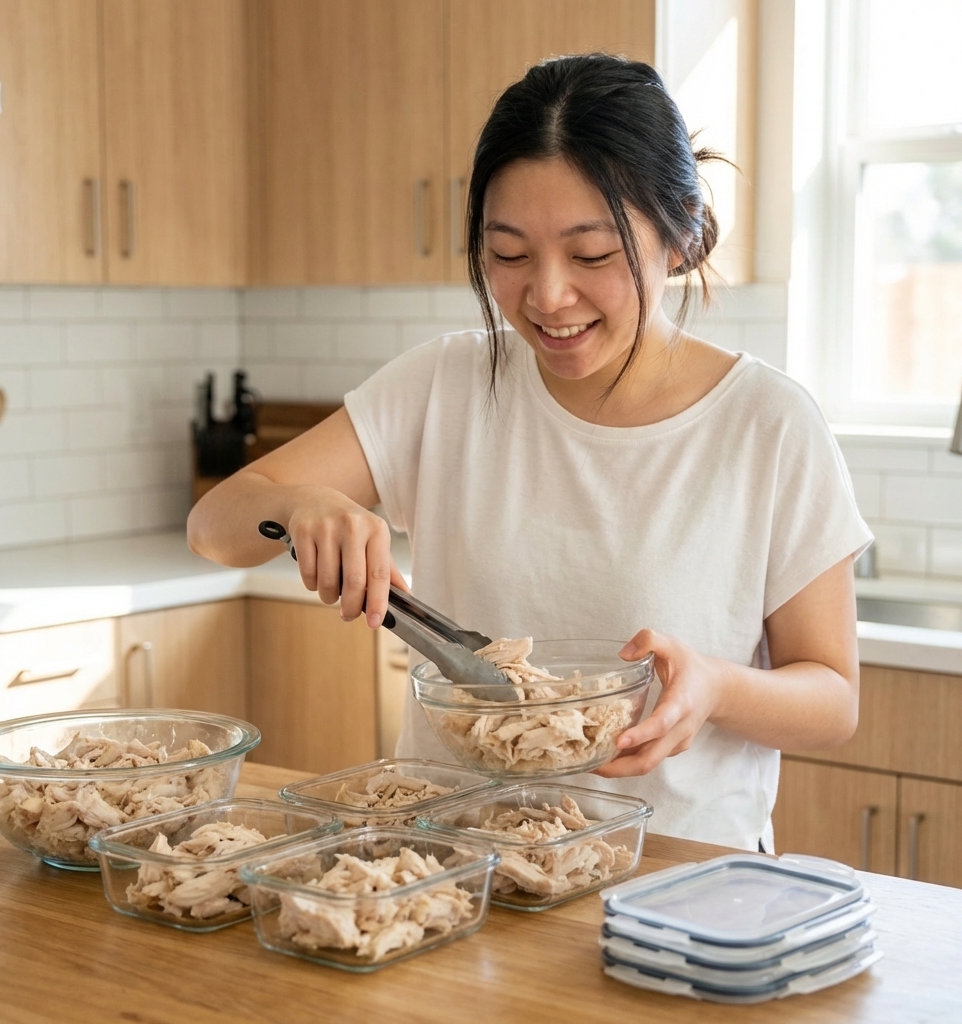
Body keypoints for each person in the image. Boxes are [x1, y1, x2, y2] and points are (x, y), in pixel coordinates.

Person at [188, 54, 871, 852]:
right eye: (508, 255)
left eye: (591, 255)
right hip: (454, 872)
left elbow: (834, 700)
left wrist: (715, 687)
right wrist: (297, 503)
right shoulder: (445, 384)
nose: (547, 295)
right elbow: (215, 526)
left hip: (677, 878)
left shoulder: (767, 424)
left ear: (680, 235)